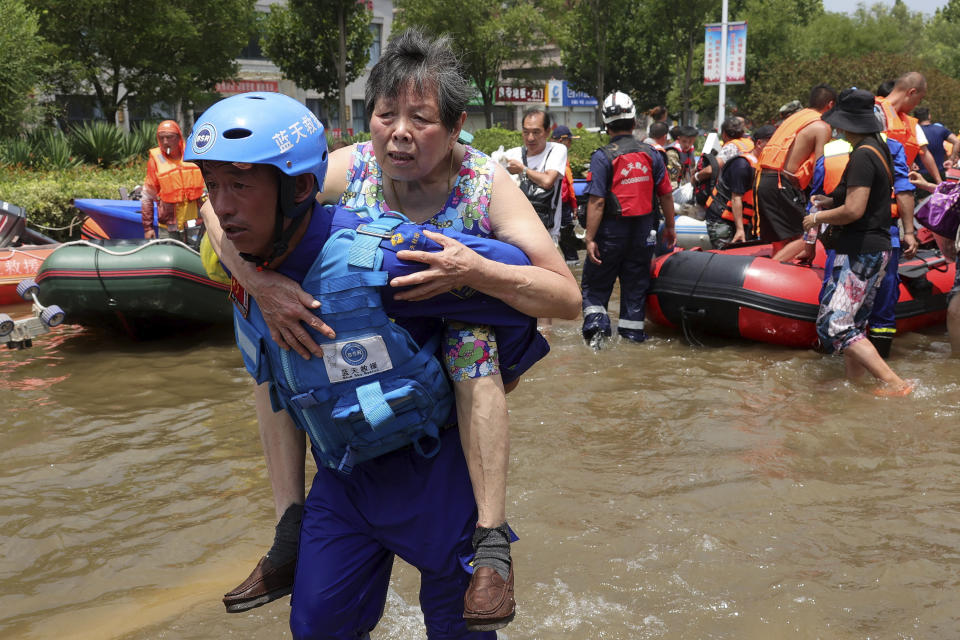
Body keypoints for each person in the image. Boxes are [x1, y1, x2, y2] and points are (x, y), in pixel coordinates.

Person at [199, 30, 581, 637]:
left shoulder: (485, 183)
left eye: (421, 119)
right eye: (385, 115)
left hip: (445, 363)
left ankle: (489, 541)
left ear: (455, 127)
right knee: (274, 338)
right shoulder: (351, 168)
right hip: (357, 359)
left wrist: (474, 269)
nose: (398, 132)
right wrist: (258, 284)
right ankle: (290, 526)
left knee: (469, 340)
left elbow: (567, 297)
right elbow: (216, 206)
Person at [800, 88, 912, 395]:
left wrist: (816, 219)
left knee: (833, 325)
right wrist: (826, 199)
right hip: (878, 248)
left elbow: (854, 209)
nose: (836, 129)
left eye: (839, 123)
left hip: (860, 250)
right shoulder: (877, 148)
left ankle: (895, 383)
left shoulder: (862, 154)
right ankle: (855, 383)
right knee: (854, 322)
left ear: (850, 123)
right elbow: (854, 196)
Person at [811, 123, 919, 358]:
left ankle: (881, 379)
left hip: (846, 239)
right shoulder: (891, 147)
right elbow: (903, 191)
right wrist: (909, 232)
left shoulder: (831, 151)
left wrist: (810, 239)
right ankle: (868, 375)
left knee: (835, 315)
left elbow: (818, 199)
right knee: (879, 307)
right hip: (882, 237)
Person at [580, 91, 677, 346]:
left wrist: (589, 238)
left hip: (610, 235)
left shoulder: (602, 157)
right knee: (635, 290)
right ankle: (633, 340)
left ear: (605, 125)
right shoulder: (652, 154)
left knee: (596, 289)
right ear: (634, 122)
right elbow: (666, 195)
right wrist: (671, 227)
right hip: (644, 235)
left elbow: (597, 201)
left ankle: (597, 344)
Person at [756, 84, 837, 263]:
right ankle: (771, 271)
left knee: (782, 237)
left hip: (764, 179)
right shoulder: (821, 126)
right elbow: (820, 166)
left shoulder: (795, 118)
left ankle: (777, 275)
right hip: (781, 183)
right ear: (830, 105)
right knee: (807, 234)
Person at [704, 124, 774, 248]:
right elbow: (736, 198)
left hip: (742, 220)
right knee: (726, 255)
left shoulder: (763, 165)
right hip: (722, 218)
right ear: (759, 143)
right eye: (772, 143)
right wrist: (740, 229)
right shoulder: (742, 165)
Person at [504, 108, 568, 240]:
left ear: (547, 132)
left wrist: (523, 169)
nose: (530, 138)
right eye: (526, 132)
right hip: (516, 232)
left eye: (536, 132)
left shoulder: (557, 150)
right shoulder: (512, 155)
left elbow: (548, 181)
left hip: (547, 234)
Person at [140, 120, 205, 240]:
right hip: (169, 226)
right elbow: (147, 197)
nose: (165, 142)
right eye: (161, 138)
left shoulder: (193, 154)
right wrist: (148, 228)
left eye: (169, 137)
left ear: (179, 137)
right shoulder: (156, 159)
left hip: (195, 223)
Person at [875, 72, 941, 185]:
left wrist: (939, 185)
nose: (917, 104)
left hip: (900, 191)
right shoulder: (875, 113)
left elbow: (924, 153)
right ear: (912, 92)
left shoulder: (909, 123)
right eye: (919, 99)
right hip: (878, 191)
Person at [552, 125, 582, 264]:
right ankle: (572, 261)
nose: (570, 144)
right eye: (569, 141)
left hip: (557, 204)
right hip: (561, 205)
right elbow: (568, 186)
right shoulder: (558, 158)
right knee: (567, 234)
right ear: (561, 140)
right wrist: (573, 205)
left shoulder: (555, 156)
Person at [914, 106, 958, 180]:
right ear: (929, 116)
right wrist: (951, 160)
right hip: (939, 172)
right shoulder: (940, 129)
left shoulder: (914, 131)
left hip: (920, 174)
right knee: (940, 191)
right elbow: (957, 141)